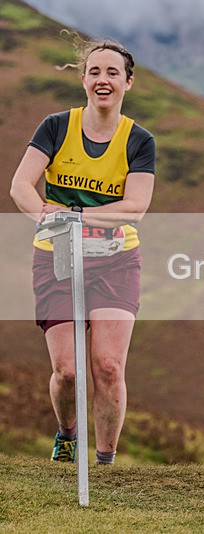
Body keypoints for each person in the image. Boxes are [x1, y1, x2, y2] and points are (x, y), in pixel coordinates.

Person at [9, 33, 155, 465]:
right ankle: (67, 433)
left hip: (116, 259)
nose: (103, 79)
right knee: (68, 372)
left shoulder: (138, 140)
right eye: (95, 72)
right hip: (56, 256)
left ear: (128, 83)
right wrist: (46, 218)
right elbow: (21, 185)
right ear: (84, 80)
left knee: (108, 367)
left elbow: (137, 208)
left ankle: (106, 463)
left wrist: (73, 214)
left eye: (113, 72)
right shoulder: (56, 127)